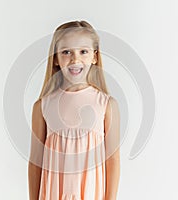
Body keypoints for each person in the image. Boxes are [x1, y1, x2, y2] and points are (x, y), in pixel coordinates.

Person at [28, 20, 120, 200]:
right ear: (55, 58)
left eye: (83, 52)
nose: (75, 59)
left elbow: (113, 160)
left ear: (94, 56)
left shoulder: (106, 104)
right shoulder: (43, 106)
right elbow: (35, 163)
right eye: (66, 52)